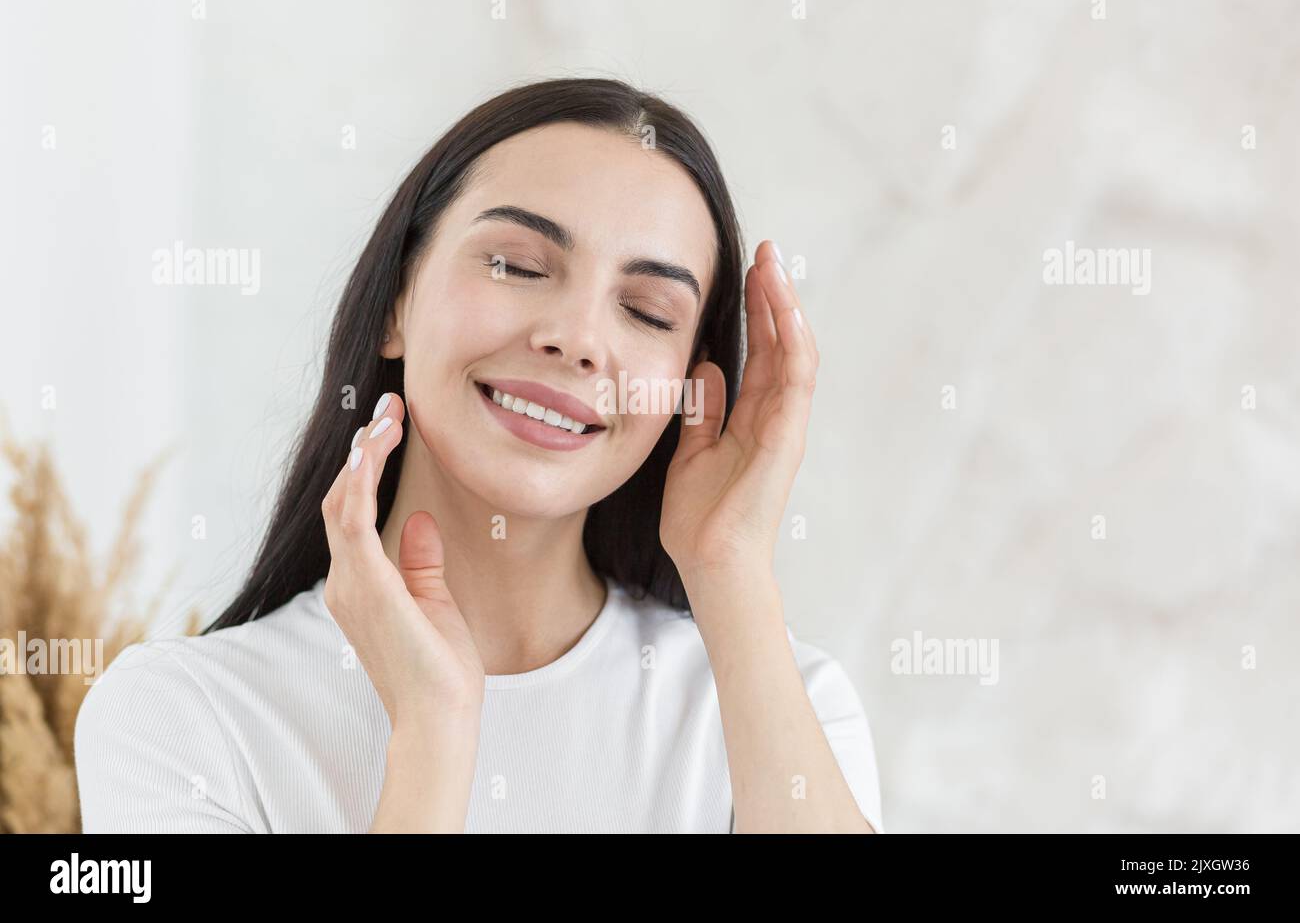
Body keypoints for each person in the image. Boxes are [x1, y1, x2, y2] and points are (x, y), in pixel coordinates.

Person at [75, 77, 883, 833]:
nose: (577, 338)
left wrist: (729, 568)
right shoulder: (182, 719)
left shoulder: (782, 707)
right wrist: (433, 733)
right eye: (518, 265)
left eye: (646, 310)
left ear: (686, 392)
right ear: (397, 301)